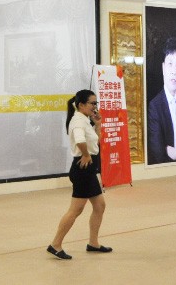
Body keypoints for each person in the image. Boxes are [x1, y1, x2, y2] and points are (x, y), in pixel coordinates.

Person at [47, 89, 112, 260]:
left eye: (96, 103)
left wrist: (98, 125)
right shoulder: (77, 121)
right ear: (81, 105)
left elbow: (94, 143)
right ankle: (55, 244)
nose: (95, 106)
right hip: (83, 171)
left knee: (100, 206)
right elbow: (80, 140)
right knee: (75, 210)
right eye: (92, 103)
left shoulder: (85, 120)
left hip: (89, 170)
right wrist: (85, 154)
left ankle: (93, 243)